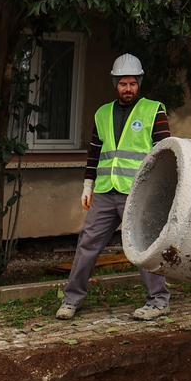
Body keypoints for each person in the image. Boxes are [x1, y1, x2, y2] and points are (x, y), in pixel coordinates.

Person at [56, 53, 172, 321]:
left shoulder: (154, 110)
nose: (128, 88)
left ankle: (158, 301)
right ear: (115, 84)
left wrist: (161, 191)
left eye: (132, 83)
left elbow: (164, 152)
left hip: (139, 194)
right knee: (87, 244)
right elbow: (95, 153)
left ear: (139, 83)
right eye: (123, 84)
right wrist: (88, 184)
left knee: (143, 247)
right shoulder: (102, 113)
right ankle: (72, 299)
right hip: (106, 193)